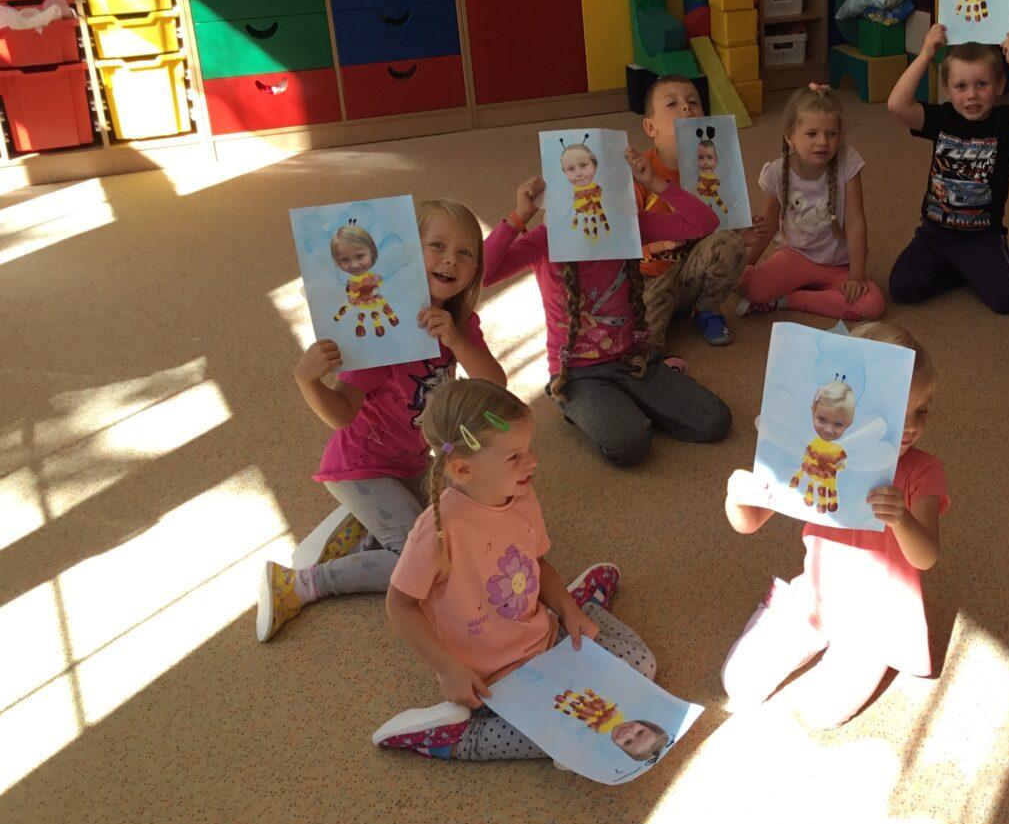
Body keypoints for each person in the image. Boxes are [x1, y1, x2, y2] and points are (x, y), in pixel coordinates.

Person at [370, 379, 658, 762]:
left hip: (546, 637)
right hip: (490, 676)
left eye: (529, 448)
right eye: (514, 456)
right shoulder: (437, 530)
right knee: (555, 736)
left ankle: (579, 604)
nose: (533, 461)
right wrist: (448, 669)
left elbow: (536, 562)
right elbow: (399, 606)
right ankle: (453, 739)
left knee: (642, 666)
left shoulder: (521, 494)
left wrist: (568, 612)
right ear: (462, 468)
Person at [259, 198, 505, 643]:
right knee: (425, 561)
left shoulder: (461, 324)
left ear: (475, 268)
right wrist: (306, 381)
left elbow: (495, 386)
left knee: (460, 534)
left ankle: (366, 532)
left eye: (466, 252)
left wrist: (457, 340)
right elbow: (341, 414)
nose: (451, 259)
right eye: (437, 246)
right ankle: (303, 582)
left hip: (413, 462)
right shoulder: (380, 330)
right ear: (406, 252)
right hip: (360, 467)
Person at [721, 322, 947, 729]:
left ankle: (851, 650)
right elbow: (749, 522)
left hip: (876, 618)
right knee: (737, 682)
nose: (912, 426)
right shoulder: (814, 453)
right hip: (817, 595)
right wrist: (736, 496)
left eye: (922, 410)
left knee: (820, 713)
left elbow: (926, 556)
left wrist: (901, 518)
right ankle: (786, 612)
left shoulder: (922, 471)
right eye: (897, 410)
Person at [482, 158, 732, 468]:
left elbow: (705, 222)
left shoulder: (628, 225)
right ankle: (590, 406)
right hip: (576, 373)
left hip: (633, 359)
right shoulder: (545, 239)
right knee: (630, 445)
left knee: (715, 421)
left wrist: (654, 182)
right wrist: (519, 216)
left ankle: (626, 401)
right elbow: (484, 273)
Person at [885, 25, 1009, 313]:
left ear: (999, 85)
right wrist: (926, 54)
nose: (971, 95)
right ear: (947, 90)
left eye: (982, 84)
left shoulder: (1005, 123)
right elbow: (897, 105)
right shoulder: (942, 117)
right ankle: (964, 271)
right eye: (960, 87)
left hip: (981, 238)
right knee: (902, 288)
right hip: (934, 234)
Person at [737, 83, 884, 322]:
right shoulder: (777, 172)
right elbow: (769, 224)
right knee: (750, 287)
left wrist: (857, 276)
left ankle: (788, 299)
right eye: (812, 133)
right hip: (796, 255)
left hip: (838, 265)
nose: (822, 142)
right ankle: (785, 291)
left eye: (831, 134)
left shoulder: (848, 161)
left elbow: (856, 221)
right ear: (790, 137)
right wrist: (746, 265)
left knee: (873, 304)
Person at [633, 74, 749, 351]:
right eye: (672, 103)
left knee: (731, 244)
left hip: (690, 276)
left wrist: (741, 229)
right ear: (650, 127)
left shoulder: (714, 165)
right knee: (642, 348)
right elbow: (623, 243)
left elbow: (719, 224)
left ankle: (706, 310)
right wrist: (658, 245)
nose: (686, 107)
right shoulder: (638, 174)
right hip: (647, 279)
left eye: (694, 102)